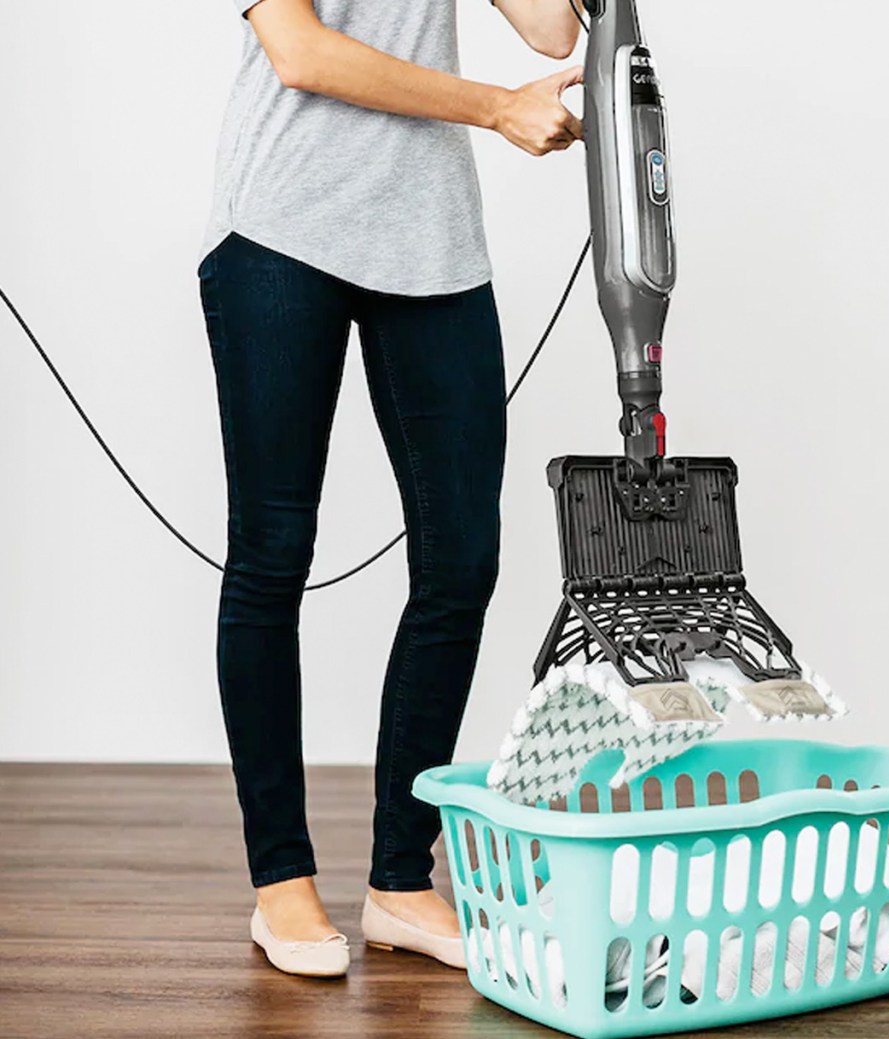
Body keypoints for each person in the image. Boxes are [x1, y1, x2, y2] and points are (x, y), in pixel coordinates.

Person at [196, 0, 584, 977]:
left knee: (462, 558)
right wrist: (495, 107)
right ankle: (281, 884)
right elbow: (301, 51)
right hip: (282, 231)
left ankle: (400, 883)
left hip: (432, 243)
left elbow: (553, 34)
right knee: (272, 552)